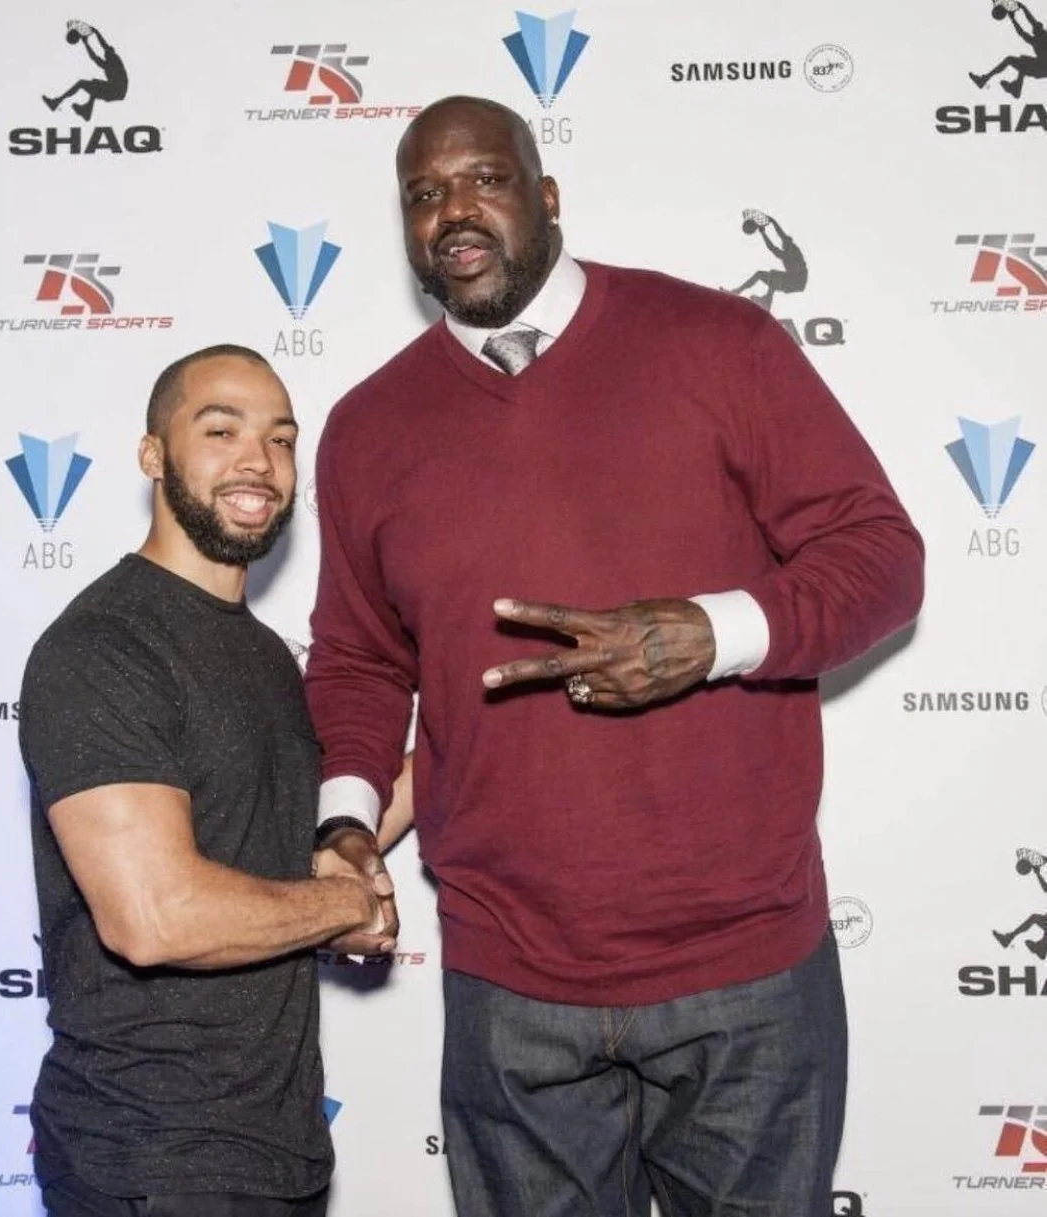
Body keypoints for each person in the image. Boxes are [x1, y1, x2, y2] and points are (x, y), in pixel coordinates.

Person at [304, 95, 925, 1216]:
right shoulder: (367, 427)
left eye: (484, 178)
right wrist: (346, 824)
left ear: (545, 196)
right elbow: (354, 657)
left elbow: (882, 557)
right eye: (423, 193)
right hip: (509, 974)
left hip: (746, 961)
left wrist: (716, 632)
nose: (454, 209)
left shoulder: (717, 345)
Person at [18, 344, 401, 1217]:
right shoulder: (104, 647)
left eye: (279, 437)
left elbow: (290, 833)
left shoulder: (263, 652)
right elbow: (156, 918)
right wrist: (349, 905)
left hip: (273, 1152)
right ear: (153, 454)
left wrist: (470, 736)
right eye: (219, 428)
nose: (256, 462)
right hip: (151, 1156)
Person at [42, 21, 128, 121]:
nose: (106, 52)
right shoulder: (109, 63)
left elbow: (103, 46)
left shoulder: (113, 59)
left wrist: (96, 33)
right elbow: (95, 57)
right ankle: (87, 110)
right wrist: (87, 42)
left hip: (116, 90)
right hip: (118, 91)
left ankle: (56, 102)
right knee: (95, 86)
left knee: (82, 83)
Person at [730, 210, 808, 313]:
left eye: (785, 243)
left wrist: (773, 222)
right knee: (759, 274)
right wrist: (763, 232)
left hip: (798, 281)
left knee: (774, 274)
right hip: (789, 280)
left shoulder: (792, 250)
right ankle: (738, 291)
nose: (783, 245)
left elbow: (780, 236)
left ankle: (767, 300)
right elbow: (772, 247)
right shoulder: (784, 253)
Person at [970, 1, 1047, 99]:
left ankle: (1013, 86)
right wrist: (1013, 18)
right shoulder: (1035, 40)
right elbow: (1021, 32)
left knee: (1021, 61)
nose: (1035, 28)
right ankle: (1012, 86)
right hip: (1041, 68)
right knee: (1018, 60)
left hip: (1043, 68)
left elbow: (1030, 21)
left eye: (1037, 27)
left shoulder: (1040, 38)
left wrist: (1022, 8)